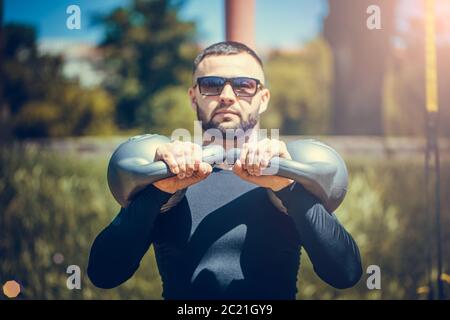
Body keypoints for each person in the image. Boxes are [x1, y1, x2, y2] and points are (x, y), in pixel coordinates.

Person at [87, 41, 362, 299]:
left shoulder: (289, 174)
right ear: (193, 97)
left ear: (263, 98)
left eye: (244, 85)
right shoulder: (168, 173)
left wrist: (288, 189)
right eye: (212, 85)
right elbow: (104, 274)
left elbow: (345, 273)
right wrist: (157, 192)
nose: (227, 96)